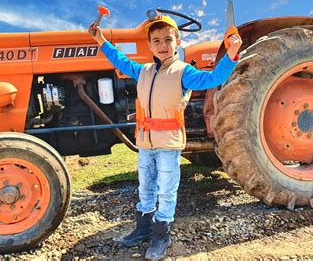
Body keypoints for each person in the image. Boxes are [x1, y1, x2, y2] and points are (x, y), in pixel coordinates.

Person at [89, 14, 241, 259]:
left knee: (166, 191)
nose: (162, 45)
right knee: (146, 187)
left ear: (177, 43)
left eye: (168, 40)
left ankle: (162, 234)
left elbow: (214, 78)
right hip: (145, 143)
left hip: (169, 144)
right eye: (157, 41)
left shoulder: (183, 72)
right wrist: (101, 40)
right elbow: (120, 61)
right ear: (149, 46)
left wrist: (232, 53)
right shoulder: (143, 71)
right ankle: (142, 228)